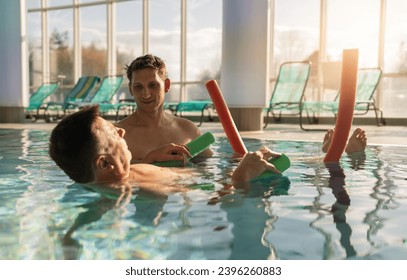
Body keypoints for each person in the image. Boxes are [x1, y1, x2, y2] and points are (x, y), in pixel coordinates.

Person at [49, 106, 282, 196]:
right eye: (112, 132)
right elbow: (213, 206)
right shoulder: (130, 192)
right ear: (104, 164)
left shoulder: (128, 174)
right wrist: (241, 178)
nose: (120, 131)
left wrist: (151, 161)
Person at [116, 54, 212, 164]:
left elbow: (210, 167)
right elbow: (103, 174)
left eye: (153, 85)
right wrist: (148, 161)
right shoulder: (118, 135)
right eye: (138, 87)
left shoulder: (188, 130)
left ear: (166, 86)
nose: (146, 94)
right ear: (131, 89)